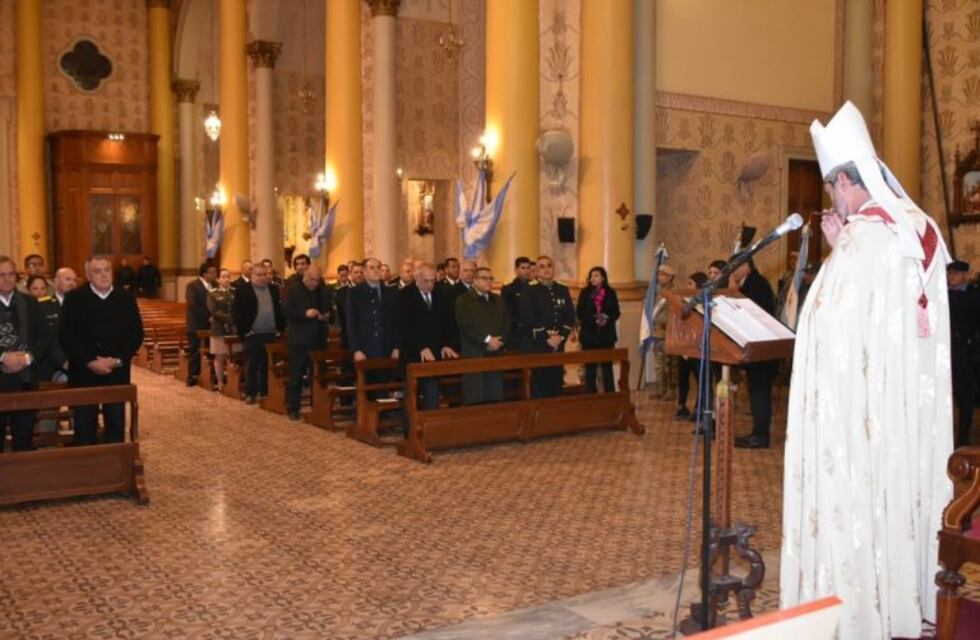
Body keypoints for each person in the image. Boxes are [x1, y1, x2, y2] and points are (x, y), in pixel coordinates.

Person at [780, 101, 953, 640]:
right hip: (906, 412)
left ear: (844, 181)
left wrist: (838, 253)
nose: (833, 201)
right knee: (898, 487)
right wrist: (841, 247)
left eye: (833, 187)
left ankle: (854, 608)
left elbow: (823, 325)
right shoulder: (918, 227)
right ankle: (908, 599)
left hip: (861, 418)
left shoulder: (863, 240)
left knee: (859, 496)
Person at [60, 255, 144, 445]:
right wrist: (89, 361)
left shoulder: (126, 298)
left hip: (117, 372)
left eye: (107, 270)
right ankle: (87, 460)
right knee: (84, 426)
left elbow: (136, 334)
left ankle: (114, 461)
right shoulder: (74, 298)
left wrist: (118, 360)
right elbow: (67, 336)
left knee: (116, 425)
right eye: (97, 271)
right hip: (84, 372)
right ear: (88, 275)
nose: (104, 275)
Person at [0, 256, 49, 452]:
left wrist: (27, 358)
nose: (7, 279)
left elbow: (44, 337)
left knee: (24, 440)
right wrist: (3, 357)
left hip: (25, 381)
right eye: (1, 275)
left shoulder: (30, 302)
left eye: (11, 274)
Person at [399, 264, 459, 420]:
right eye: (426, 281)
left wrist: (447, 344)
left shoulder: (442, 294)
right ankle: (411, 430)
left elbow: (449, 323)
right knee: (411, 398)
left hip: (435, 354)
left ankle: (430, 428)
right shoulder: (404, 296)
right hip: (412, 354)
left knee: (432, 395)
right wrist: (421, 347)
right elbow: (404, 327)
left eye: (433, 281)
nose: (430, 285)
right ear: (417, 278)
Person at [730, 256, 778, 449]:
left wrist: (733, 293)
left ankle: (760, 435)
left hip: (762, 345)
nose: (732, 270)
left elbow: (749, 313)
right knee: (756, 389)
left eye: (735, 266)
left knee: (760, 391)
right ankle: (758, 432)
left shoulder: (756, 283)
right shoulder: (750, 283)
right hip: (756, 346)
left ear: (746, 266)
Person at [283, 263, 333, 420]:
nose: (314, 283)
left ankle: (317, 407)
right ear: (305, 274)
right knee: (296, 376)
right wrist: (304, 313)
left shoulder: (323, 290)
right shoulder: (293, 289)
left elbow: (330, 310)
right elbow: (286, 310)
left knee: (319, 375)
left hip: (319, 339)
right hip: (299, 339)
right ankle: (293, 408)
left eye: (317, 280)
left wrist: (327, 315)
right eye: (312, 279)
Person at [520, 255, 575, 398]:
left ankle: (555, 411)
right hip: (538, 345)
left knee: (556, 384)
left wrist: (561, 337)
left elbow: (570, 316)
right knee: (540, 385)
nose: (546, 269)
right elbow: (528, 317)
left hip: (558, 344)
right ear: (536, 271)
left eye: (549, 265)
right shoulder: (530, 290)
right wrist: (547, 337)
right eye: (542, 266)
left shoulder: (562, 289)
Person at [455, 266, 509, 405]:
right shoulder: (464, 300)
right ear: (474, 280)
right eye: (484, 278)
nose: (488, 281)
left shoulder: (498, 300)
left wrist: (499, 341)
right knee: (476, 397)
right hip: (475, 353)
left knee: (495, 396)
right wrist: (487, 340)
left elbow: (506, 323)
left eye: (490, 278)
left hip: (495, 352)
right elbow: (466, 326)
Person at [233, 263, 285, 404]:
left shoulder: (273, 289)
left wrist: (280, 328)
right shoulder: (243, 290)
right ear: (252, 275)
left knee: (267, 365)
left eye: (264, 274)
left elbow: (278, 310)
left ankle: (264, 392)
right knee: (252, 365)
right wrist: (245, 331)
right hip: (253, 334)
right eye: (259, 274)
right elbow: (237, 313)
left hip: (270, 333)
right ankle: (251, 393)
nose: (262, 277)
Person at [576, 266, 621, 393]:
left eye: (596, 275)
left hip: (606, 336)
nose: (593, 278)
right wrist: (593, 319)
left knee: (607, 368)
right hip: (589, 336)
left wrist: (606, 318)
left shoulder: (610, 292)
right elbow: (580, 312)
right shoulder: (585, 293)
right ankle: (591, 396)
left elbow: (616, 312)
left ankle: (610, 395)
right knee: (590, 369)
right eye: (591, 276)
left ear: (603, 278)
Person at [949, 259, 979, 447]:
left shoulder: (974, 295)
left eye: (956, 273)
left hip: (964, 351)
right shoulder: (943, 294)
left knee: (965, 395)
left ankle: (963, 436)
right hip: (946, 349)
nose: (952, 277)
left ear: (964, 275)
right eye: (950, 273)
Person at [345, 258, 399, 363]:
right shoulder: (354, 293)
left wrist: (397, 347)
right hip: (365, 349)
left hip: (388, 348)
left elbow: (396, 321)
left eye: (378, 267)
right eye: (372, 268)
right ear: (364, 272)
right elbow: (352, 323)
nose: (376, 270)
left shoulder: (391, 292)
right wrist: (356, 349)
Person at [674, 271, 709, 420]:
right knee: (683, 376)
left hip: (697, 346)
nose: (687, 286)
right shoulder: (685, 302)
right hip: (684, 345)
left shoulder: (704, 303)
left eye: (690, 283)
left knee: (700, 378)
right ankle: (681, 406)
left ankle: (699, 408)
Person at [185, 261, 217, 387]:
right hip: (196, 324)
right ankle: (192, 376)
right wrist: (208, 317)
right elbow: (193, 305)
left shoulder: (215, 285)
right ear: (204, 274)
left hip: (213, 325)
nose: (215, 274)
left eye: (215, 272)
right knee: (195, 351)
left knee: (211, 351)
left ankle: (210, 375)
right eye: (212, 272)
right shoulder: (193, 286)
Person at [206, 268, 236, 391]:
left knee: (232, 356)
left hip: (233, 328)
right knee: (219, 356)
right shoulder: (212, 293)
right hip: (218, 328)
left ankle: (232, 381)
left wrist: (234, 320)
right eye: (223, 277)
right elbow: (214, 311)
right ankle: (220, 382)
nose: (226, 279)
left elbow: (238, 307)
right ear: (218, 279)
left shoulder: (234, 292)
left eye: (228, 276)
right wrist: (229, 319)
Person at [650, 264, 676, 399]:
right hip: (657, 333)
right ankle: (661, 388)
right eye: (659, 275)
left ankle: (671, 390)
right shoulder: (659, 293)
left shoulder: (674, 293)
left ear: (670, 277)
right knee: (659, 364)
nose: (660, 277)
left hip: (668, 334)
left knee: (669, 365)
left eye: (663, 275)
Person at [501, 256, 532, 343]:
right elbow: (507, 312)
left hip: (532, 331)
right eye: (523, 268)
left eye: (528, 268)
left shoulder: (535, 287)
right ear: (516, 270)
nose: (526, 271)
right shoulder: (508, 288)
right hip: (515, 331)